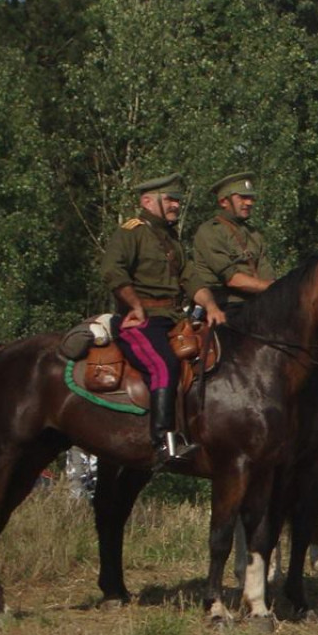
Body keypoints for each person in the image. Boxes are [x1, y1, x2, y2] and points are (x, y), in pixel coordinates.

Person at [100, 173, 226, 467]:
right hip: (141, 320)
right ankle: (163, 442)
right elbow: (111, 269)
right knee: (164, 364)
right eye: (170, 199)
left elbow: (191, 278)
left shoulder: (170, 239)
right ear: (147, 201)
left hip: (172, 319)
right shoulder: (132, 232)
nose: (176, 205)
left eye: (177, 200)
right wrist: (134, 305)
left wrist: (210, 306)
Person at [192, 172, 276, 318]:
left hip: (256, 304)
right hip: (223, 306)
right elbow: (232, 280)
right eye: (243, 197)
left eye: (251, 198)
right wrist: (277, 288)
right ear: (224, 201)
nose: (249, 203)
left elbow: (267, 274)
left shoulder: (254, 234)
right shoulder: (210, 232)